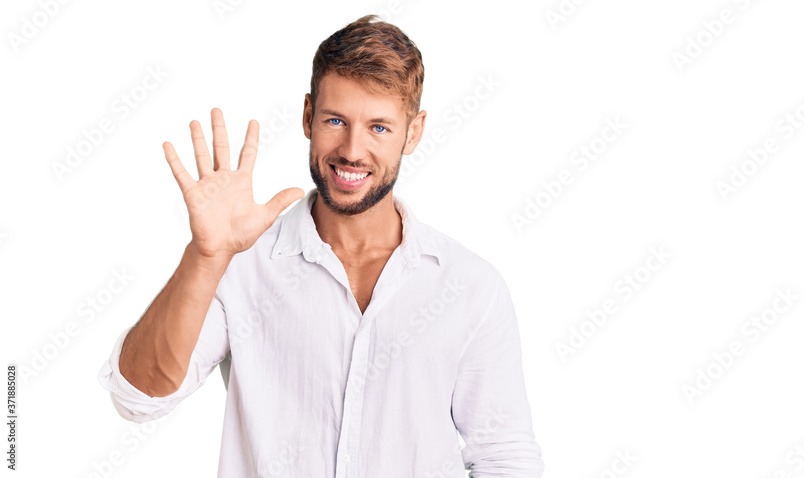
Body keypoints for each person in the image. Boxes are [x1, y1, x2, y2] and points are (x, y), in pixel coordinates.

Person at [96, 14, 544, 477]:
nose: (352, 150)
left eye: (379, 128)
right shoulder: (242, 266)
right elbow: (138, 398)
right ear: (308, 116)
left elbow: (504, 457)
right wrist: (206, 256)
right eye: (336, 120)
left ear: (413, 132)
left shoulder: (469, 286)